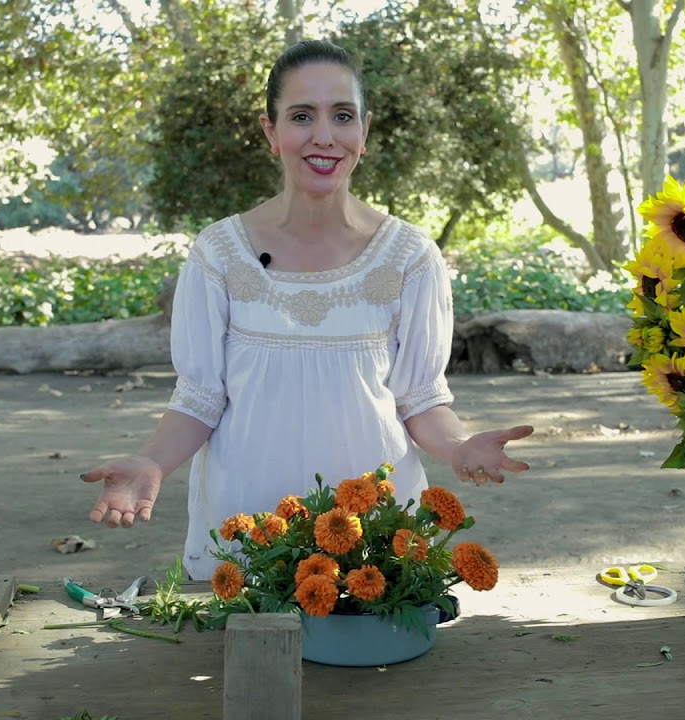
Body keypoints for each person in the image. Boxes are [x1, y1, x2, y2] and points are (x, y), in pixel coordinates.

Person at [81, 39, 534, 581]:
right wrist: (152, 461)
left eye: (342, 115)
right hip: (247, 524)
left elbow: (419, 396)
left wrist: (458, 445)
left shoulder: (411, 256)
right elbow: (201, 396)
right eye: (302, 116)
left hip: (372, 534)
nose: (324, 135)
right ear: (271, 132)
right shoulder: (218, 253)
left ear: (364, 131)